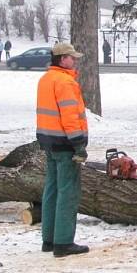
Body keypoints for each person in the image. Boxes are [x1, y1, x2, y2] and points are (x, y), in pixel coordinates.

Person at [35, 43, 90, 258]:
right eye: (71, 57)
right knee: (68, 192)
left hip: (49, 141)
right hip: (66, 143)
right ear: (62, 59)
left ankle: (48, 239)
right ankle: (63, 241)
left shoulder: (45, 79)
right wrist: (78, 144)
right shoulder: (66, 82)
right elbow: (70, 116)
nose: (74, 60)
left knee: (51, 189)